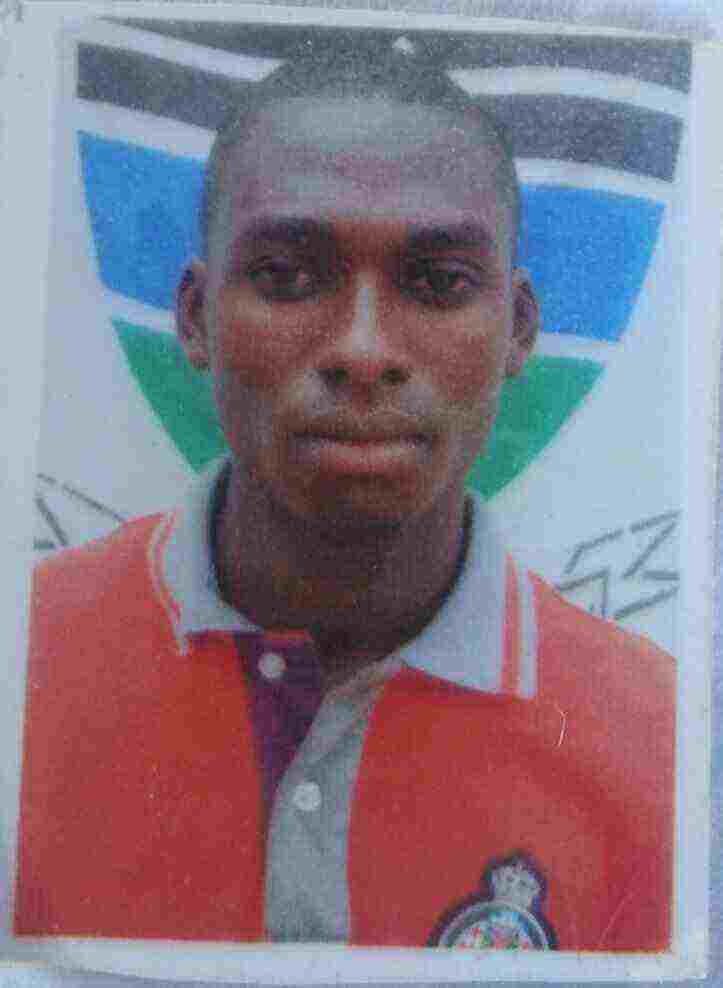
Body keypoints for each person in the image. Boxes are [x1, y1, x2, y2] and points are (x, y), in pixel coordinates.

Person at [14, 48, 674, 952]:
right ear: (195, 318)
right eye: (287, 275)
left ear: (517, 330)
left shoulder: (661, 743)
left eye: (438, 283)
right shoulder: (22, 658)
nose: (362, 350)